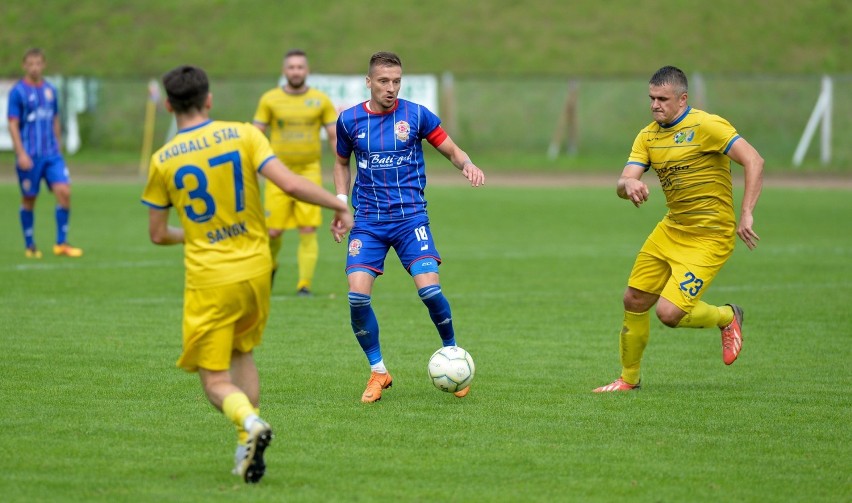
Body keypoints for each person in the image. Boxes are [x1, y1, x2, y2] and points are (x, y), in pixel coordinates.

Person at [141, 65, 352, 482]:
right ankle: (247, 444)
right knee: (243, 352)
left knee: (215, 380)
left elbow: (158, 234)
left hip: (210, 277)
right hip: (256, 269)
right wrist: (339, 204)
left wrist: (199, 234)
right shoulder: (243, 134)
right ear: (209, 99)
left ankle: (250, 424)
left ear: (168, 105)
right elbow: (289, 185)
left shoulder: (163, 159)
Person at [594, 65, 764, 392]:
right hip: (671, 230)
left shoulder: (707, 126)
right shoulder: (648, 135)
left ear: (683, 99)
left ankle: (727, 317)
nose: (655, 104)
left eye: (662, 98)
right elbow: (624, 178)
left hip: (709, 237)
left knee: (669, 314)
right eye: (651, 98)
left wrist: (746, 213)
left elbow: (754, 160)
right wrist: (627, 186)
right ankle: (628, 380)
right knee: (633, 299)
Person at [332, 51, 486, 403]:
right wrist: (340, 205)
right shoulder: (349, 120)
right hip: (368, 222)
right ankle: (378, 372)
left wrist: (467, 164)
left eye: (397, 81)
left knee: (430, 291)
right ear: (368, 82)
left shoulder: (416, 114)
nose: (391, 88)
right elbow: (341, 163)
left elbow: (450, 148)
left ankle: (453, 356)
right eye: (384, 81)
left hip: (410, 218)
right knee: (357, 297)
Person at [253, 49, 339, 296]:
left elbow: (333, 136)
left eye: (300, 67)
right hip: (277, 173)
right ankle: (270, 267)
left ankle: (304, 285)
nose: (296, 71)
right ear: (284, 71)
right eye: (291, 67)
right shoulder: (270, 99)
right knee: (272, 231)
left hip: (309, 172)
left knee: (308, 228)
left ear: (307, 70)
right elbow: (256, 134)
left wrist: (341, 162)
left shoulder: (320, 100)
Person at [7, 47, 82, 258]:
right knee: (29, 199)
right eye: (30, 64)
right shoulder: (18, 92)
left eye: (38, 63)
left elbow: (55, 119)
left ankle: (61, 243)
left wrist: (58, 146)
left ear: (44, 65)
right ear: (24, 66)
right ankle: (30, 245)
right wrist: (20, 153)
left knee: (64, 192)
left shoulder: (50, 90)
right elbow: (13, 124)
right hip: (30, 155)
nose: (34, 68)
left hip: (51, 154)